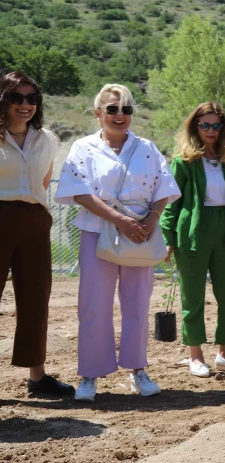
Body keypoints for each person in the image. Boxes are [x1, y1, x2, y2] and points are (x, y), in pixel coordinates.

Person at [56, 84, 180, 402]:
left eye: (126, 109)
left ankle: (137, 370)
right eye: (112, 109)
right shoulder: (82, 148)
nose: (119, 115)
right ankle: (89, 375)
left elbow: (164, 188)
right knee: (93, 306)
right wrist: (118, 219)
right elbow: (80, 192)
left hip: (139, 234)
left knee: (137, 305)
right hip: (97, 232)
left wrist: (151, 219)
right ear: (98, 113)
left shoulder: (147, 148)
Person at [161, 102, 225, 377]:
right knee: (193, 297)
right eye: (205, 125)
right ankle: (196, 356)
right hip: (192, 232)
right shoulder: (183, 161)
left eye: (216, 125)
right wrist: (167, 237)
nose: (210, 131)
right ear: (195, 127)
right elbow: (171, 202)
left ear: (223, 128)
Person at [0, 71, 71, 397]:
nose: (25, 104)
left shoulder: (48, 139)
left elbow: (43, 182)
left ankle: (37, 377)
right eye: (17, 98)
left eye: (32, 98)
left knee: (35, 300)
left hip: (34, 222)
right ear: (4, 100)